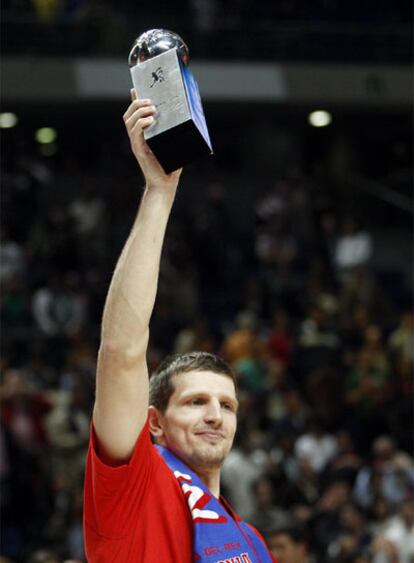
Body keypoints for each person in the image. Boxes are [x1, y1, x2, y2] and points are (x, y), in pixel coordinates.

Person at [83, 90, 276, 562]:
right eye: (195, 401)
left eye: (226, 405)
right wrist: (160, 191)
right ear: (153, 423)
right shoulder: (134, 489)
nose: (215, 415)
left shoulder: (250, 542)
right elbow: (122, 351)